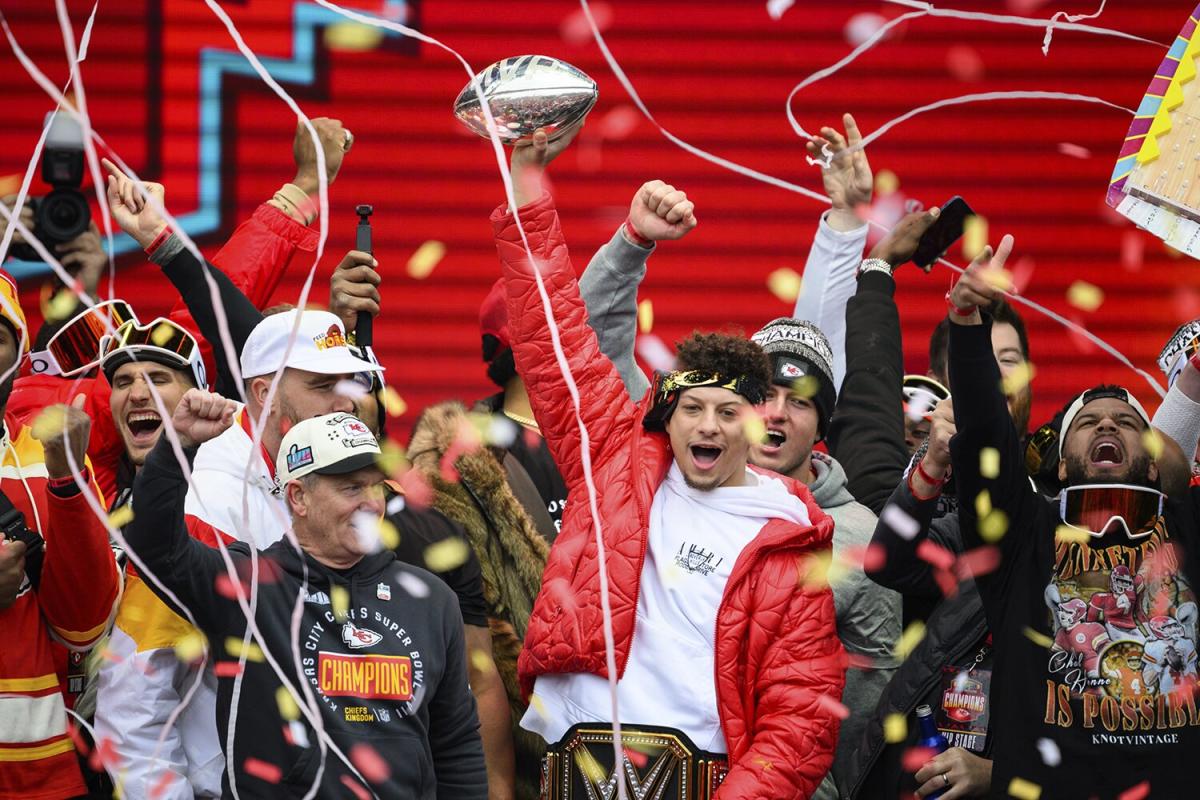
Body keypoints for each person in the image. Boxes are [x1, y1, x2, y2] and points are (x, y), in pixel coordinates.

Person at [494, 127, 844, 800]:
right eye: (692, 409)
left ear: (755, 424)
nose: (707, 425)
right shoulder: (618, 466)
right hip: (573, 774)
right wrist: (527, 179)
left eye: (726, 411)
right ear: (666, 416)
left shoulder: (789, 536)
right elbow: (549, 332)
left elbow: (801, 718)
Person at [572, 117, 897, 798]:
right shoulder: (662, 468)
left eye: (801, 401)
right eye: (763, 397)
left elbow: (871, 704)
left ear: (825, 422)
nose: (777, 413)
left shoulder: (860, 536)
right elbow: (596, 349)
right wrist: (631, 245)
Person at [125, 400, 487, 797]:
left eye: (375, 485)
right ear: (298, 497)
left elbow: (456, 747)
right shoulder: (249, 588)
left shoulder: (431, 599)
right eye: (351, 487)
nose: (371, 502)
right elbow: (154, 545)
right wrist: (177, 445)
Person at [945, 236, 1200, 798]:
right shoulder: (1022, 537)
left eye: (1126, 422)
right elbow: (985, 431)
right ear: (1060, 464)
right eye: (1088, 422)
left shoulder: (1189, 532)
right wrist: (966, 326)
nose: (1107, 426)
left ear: (1156, 468)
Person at [0, 269, 120, 799]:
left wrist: (69, 481)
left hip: (31, 766)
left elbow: (83, 627)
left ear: (16, 356)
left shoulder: (48, 458)